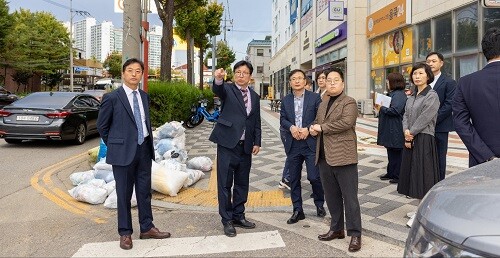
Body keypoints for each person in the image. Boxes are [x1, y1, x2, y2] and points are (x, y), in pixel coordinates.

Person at [96, 58, 170, 250]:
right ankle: (125, 233)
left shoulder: (144, 96)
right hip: (123, 154)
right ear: (123, 73)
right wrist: (117, 144)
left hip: (144, 150)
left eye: (138, 71)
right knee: (124, 194)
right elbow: (102, 126)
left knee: (145, 193)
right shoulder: (112, 98)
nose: (134, 74)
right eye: (130, 70)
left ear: (142, 75)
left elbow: (144, 122)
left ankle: (147, 228)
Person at [309, 68, 362, 252]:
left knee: (350, 198)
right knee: (331, 197)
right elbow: (316, 120)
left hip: (344, 156)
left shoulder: (349, 102)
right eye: (328, 80)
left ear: (342, 83)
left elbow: (346, 123)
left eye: (335, 80)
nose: (331, 83)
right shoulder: (323, 102)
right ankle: (337, 229)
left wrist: (320, 128)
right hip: (323, 156)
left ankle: (355, 234)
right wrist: (311, 128)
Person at [209, 61, 262, 237]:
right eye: (238, 72)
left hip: (245, 146)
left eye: (244, 72)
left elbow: (256, 121)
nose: (241, 75)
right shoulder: (228, 89)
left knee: (242, 183)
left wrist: (257, 141)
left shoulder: (254, 96)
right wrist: (217, 78)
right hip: (227, 144)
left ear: (250, 76)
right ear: (233, 75)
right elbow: (218, 90)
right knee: (224, 183)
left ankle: (239, 215)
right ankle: (227, 220)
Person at [397, 63, 440, 227]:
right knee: (413, 175)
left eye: (421, 73)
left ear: (428, 76)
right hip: (411, 137)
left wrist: (411, 133)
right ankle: (419, 209)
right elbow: (405, 116)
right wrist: (406, 131)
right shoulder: (411, 96)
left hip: (423, 138)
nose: (417, 76)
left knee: (423, 176)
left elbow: (426, 116)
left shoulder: (432, 95)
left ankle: (423, 213)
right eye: (415, 73)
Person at [280, 69, 325, 224]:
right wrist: (292, 128)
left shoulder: (314, 97)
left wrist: (307, 129)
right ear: (290, 83)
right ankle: (297, 210)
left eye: (300, 78)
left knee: (314, 177)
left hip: (310, 143)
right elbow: (283, 119)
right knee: (294, 179)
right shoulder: (285, 100)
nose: (297, 81)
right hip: (293, 144)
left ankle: (319, 203)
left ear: (305, 81)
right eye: (293, 79)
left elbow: (319, 117)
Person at [453, 27, 500, 167]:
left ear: (484, 51)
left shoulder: (466, 82)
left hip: (481, 160)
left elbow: (460, 123)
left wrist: (488, 156)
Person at [425, 52, 456, 181]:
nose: (430, 64)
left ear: (441, 63)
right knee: (425, 157)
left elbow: (449, 104)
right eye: (428, 62)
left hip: (440, 126)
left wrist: (432, 119)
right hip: (423, 127)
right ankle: (424, 184)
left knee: (439, 157)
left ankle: (438, 183)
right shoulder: (422, 81)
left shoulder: (449, 82)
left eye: (433, 61)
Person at [374, 72, 407, 184]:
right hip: (390, 128)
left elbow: (395, 110)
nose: (387, 83)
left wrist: (381, 107)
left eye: (388, 81)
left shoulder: (399, 95)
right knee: (391, 151)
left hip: (395, 128)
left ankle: (398, 175)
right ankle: (391, 172)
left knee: (397, 152)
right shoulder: (392, 94)